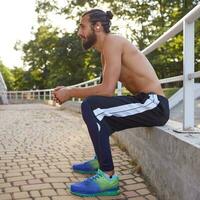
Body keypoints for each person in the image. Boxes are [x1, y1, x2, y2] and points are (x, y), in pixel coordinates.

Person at [53, 9, 169, 197]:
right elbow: (104, 93)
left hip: (154, 104)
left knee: (91, 106)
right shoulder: (105, 51)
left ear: (97, 26)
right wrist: (67, 90)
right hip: (143, 101)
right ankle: (101, 160)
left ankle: (107, 176)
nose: (79, 32)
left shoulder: (113, 42)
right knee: (96, 107)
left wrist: (70, 92)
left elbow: (107, 89)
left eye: (82, 26)